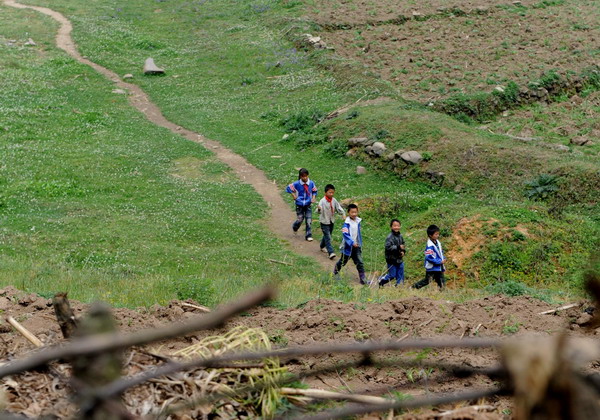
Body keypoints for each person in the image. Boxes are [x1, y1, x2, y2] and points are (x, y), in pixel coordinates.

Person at [333, 204, 366, 284]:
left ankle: (363, 279)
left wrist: (358, 243)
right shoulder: (346, 223)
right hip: (347, 247)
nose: (354, 214)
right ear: (348, 213)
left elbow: (358, 233)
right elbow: (345, 235)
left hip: (356, 246)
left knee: (360, 262)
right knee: (343, 261)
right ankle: (335, 272)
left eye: (355, 212)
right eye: (352, 212)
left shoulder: (358, 221)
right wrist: (351, 242)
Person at [286, 168, 317, 241]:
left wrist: (313, 197)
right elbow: (288, 188)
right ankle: (295, 227)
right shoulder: (297, 184)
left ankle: (308, 235)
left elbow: (314, 191)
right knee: (300, 219)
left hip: (308, 204)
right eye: (303, 176)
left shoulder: (311, 183)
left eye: (306, 176)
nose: (305, 178)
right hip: (299, 204)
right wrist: (293, 195)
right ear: (300, 176)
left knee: (308, 220)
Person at [412, 224, 446, 290]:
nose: (437, 235)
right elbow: (429, 257)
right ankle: (414, 287)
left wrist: (444, 258)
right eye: (436, 234)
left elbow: (440, 252)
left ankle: (442, 293)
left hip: (439, 267)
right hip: (432, 267)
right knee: (427, 280)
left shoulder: (437, 242)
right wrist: (439, 261)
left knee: (441, 281)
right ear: (430, 235)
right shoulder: (429, 246)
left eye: (438, 234)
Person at [317, 184, 346, 260]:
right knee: (328, 237)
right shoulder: (322, 201)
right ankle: (331, 252)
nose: (331, 194)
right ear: (325, 192)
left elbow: (338, 207)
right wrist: (319, 209)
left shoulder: (334, 200)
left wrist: (343, 214)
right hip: (324, 222)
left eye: (333, 192)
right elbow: (318, 211)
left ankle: (322, 246)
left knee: (327, 235)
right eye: (330, 192)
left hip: (331, 221)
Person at [378, 219, 406, 287]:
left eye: (398, 226)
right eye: (395, 226)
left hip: (399, 258)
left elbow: (403, 245)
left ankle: (399, 286)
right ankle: (381, 281)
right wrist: (398, 247)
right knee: (392, 275)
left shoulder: (400, 236)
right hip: (391, 259)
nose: (396, 227)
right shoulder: (389, 237)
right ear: (391, 227)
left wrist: (403, 251)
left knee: (400, 273)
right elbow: (388, 247)